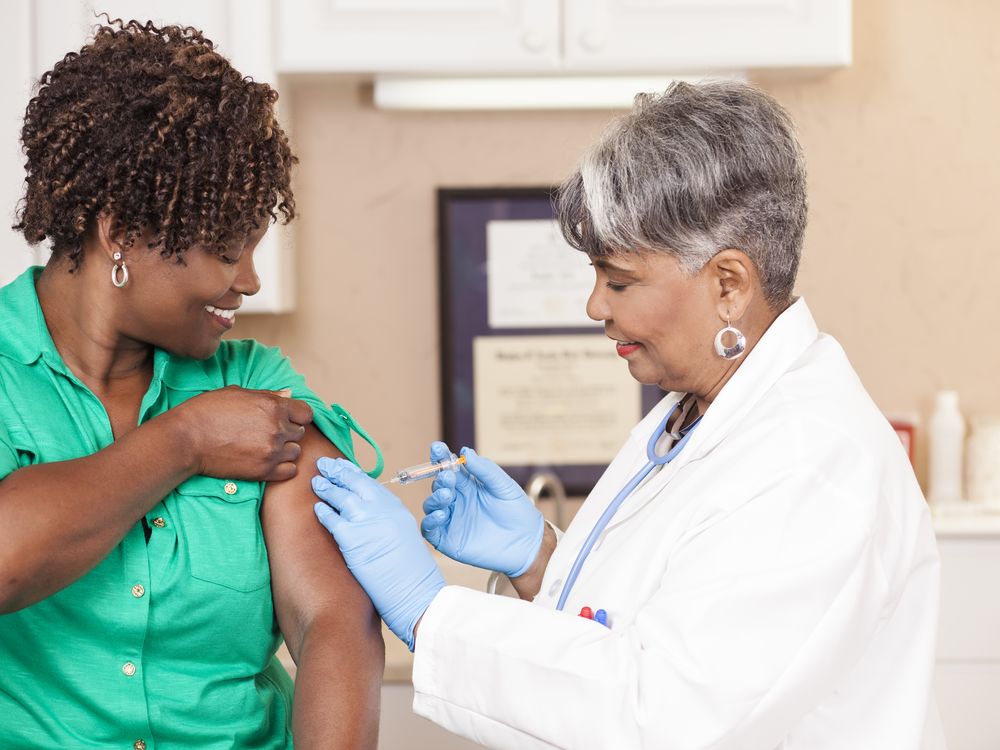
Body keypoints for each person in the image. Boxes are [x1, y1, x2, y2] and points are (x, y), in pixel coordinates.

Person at [312, 80, 941, 749]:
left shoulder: (811, 460)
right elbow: (641, 630)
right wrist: (541, 564)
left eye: (619, 281)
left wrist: (427, 611)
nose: (595, 308)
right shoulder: (696, 412)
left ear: (728, 284)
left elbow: (662, 717)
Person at [0, 20, 383, 749]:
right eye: (224, 250)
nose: (248, 280)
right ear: (119, 234)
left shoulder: (257, 383)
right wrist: (184, 440)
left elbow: (333, 618)